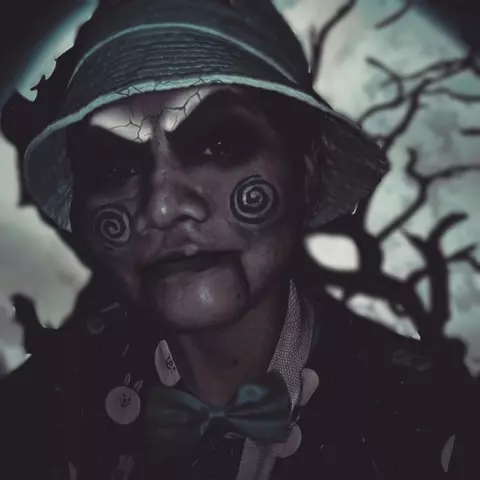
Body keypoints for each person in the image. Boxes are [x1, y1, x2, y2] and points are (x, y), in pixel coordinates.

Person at [0, 0, 478, 479]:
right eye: (114, 166)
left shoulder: (435, 422)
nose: (161, 207)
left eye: (217, 144)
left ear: (306, 168)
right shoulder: (36, 412)